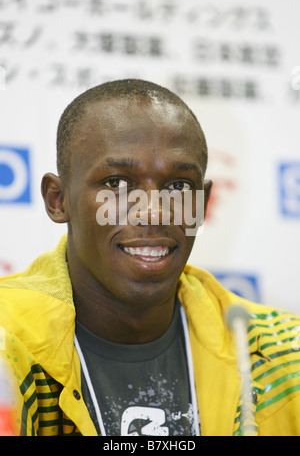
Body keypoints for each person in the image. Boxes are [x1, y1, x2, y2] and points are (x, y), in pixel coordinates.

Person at [0, 79, 300, 437]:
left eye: (178, 186)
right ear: (58, 199)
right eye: (116, 183)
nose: (154, 212)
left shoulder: (281, 356)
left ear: (202, 206)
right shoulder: (7, 342)